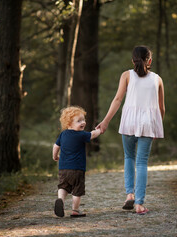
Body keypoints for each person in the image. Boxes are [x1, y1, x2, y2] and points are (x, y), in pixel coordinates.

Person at [96, 45, 165, 215]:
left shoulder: (126, 75)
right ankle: (139, 205)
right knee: (142, 162)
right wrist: (156, 126)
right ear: (150, 61)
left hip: (129, 122)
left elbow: (118, 99)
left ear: (132, 60)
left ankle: (129, 195)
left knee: (129, 157)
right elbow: (161, 108)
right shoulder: (158, 79)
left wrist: (105, 122)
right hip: (148, 124)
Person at [53, 106, 101, 217]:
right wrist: (99, 130)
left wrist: (55, 156)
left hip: (63, 168)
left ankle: (60, 199)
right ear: (69, 124)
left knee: (63, 186)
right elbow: (92, 134)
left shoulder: (63, 134)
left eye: (83, 119)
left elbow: (55, 146)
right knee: (77, 190)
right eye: (79, 121)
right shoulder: (81, 135)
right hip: (77, 169)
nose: (83, 122)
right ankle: (75, 210)